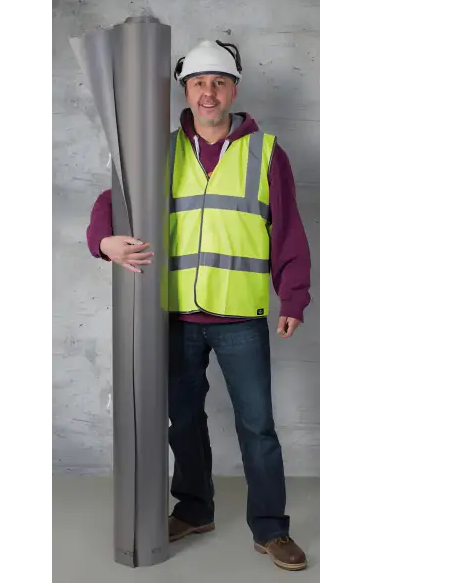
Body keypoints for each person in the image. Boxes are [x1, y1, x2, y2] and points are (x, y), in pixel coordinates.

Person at [86, 39, 312, 572]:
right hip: (176, 319)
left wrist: (294, 297)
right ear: (184, 90)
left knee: (257, 426)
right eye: (197, 84)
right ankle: (194, 510)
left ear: (234, 88)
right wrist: (104, 242)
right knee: (182, 422)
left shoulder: (266, 152)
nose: (207, 93)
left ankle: (272, 530)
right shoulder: (157, 150)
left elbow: (290, 232)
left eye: (218, 83)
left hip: (241, 319)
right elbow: (107, 202)